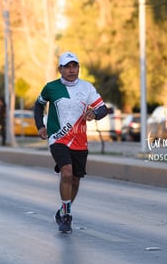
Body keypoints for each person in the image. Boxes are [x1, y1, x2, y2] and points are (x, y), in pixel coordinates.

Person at [34, 52, 108, 233]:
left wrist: (95, 114)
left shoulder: (87, 88)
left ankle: (62, 210)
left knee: (75, 179)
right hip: (58, 138)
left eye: (74, 66)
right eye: (67, 67)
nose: (71, 70)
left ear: (78, 68)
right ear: (60, 69)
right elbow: (38, 105)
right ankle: (67, 216)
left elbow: (103, 108)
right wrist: (40, 126)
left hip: (80, 139)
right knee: (66, 173)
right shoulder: (51, 88)